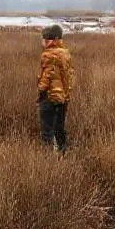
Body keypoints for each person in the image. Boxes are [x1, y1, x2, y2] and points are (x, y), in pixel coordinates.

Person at [37, 24, 76, 153]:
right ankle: (64, 154)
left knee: (46, 132)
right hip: (63, 98)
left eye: (46, 40)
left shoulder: (48, 54)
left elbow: (46, 77)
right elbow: (70, 77)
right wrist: (66, 94)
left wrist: (41, 91)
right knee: (59, 129)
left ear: (54, 40)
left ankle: (47, 162)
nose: (44, 43)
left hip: (49, 98)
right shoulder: (66, 53)